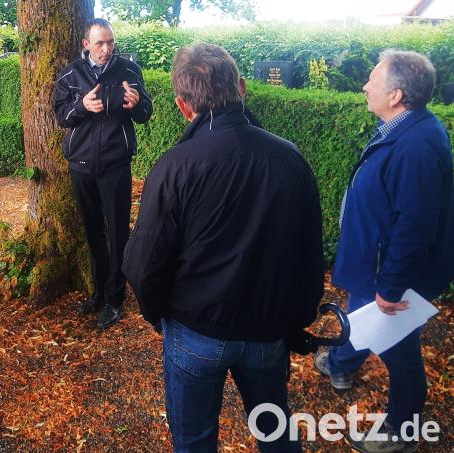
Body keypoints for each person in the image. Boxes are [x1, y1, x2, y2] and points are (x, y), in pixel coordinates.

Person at [122, 44, 325, 452]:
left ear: (182, 105)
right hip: (266, 328)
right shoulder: (289, 158)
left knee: (195, 440)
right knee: (275, 432)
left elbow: (146, 261)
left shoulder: (175, 164)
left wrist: (158, 313)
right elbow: (309, 253)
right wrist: (297, 321)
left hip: (197, 329)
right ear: (243, 88)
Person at [314, 50, 453, 453]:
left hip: (387, 273)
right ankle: (340, 365)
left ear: (395, 94)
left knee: (399, 348)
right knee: (361, 316)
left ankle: (402, 430)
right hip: (375, 264)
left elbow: (414, 228)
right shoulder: (407, 127)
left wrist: (392, 287)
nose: (365, 85)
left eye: (372, 80)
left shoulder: (416, 147)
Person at [53, 18, 152, 329]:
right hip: (81, 165)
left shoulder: (129, 70)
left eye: (110, 42)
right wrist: (82, 105)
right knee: (93, 231)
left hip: (115, 164)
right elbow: (60, 116)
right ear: (87, 45)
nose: (107, 49)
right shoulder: (71, 74)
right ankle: (98, 292)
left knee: (119, 232)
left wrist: (137, 105)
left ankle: (115, 299)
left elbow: (145, 113)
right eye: (100, 43)